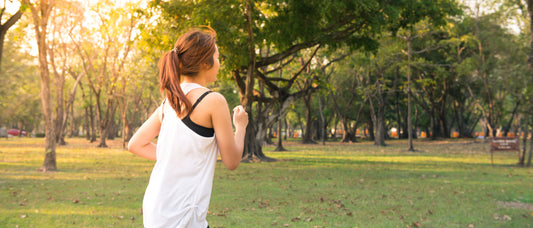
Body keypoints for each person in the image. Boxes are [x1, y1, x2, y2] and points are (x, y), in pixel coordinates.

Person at [128, 27, 248, 228]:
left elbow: (135, 144)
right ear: (204, 63)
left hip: (156, 208)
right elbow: (232, 161)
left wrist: (175, 156)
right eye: (217, 58)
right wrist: (241, 126)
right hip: (182, 213)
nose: (219, 64)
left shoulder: (169, 102)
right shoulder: (213, 101)